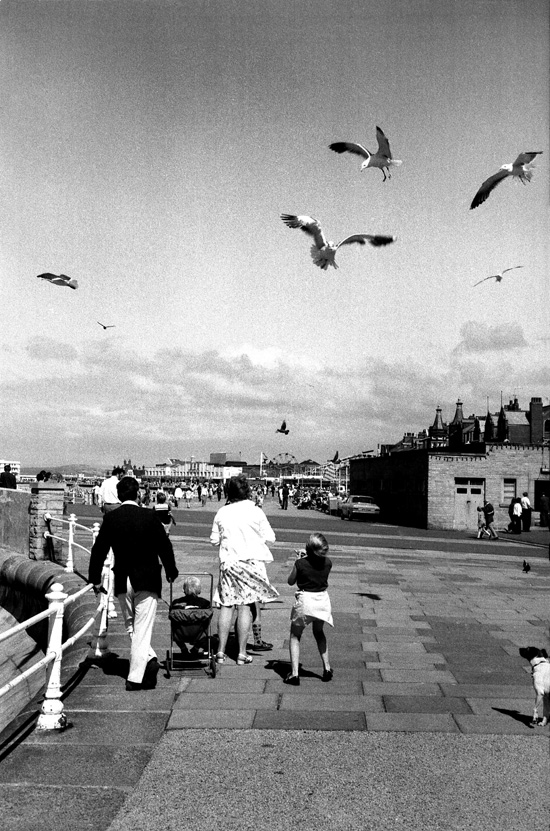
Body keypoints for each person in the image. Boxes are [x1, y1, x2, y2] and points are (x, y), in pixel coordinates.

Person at [88, 476, 178, 691]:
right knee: (142, 629)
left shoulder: (112, 519)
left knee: (131, 625)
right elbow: (164, 545)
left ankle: (149, 660)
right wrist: (171, 571)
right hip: (147, 578)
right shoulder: (149, 516)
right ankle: (136, 677)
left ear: (119, 496)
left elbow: (99, 550)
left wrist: (94, 579)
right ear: (138, 494)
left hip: (123, 579)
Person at [210, 474, 278, 666]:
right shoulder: (256, 511)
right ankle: (241, 653)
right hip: (250, 564)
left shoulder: (222, 512)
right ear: (247, 491)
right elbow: (270, 537)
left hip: (229, 563)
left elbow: (214, 540)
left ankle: (221, 652)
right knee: (245, 606)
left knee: (226, 605)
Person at [285, 533, 333, 685]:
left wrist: (298, 561)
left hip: (306, 602)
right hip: (322, 601)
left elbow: (290, 581)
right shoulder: (328, 563)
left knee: (295, 635)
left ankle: (294, 674)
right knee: (319, 633)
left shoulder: (301, 564)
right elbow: (316, 568)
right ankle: (326, 668)